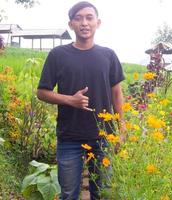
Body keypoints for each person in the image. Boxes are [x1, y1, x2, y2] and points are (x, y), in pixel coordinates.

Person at [37, 1, 125, 199]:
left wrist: (122, 128)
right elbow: (42, 92)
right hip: (69, 136)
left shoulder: (108, 55)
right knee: (68, 194)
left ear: (98, 23)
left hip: (103, 136)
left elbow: (117, 94)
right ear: (71, 24)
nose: (84, 23)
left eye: (89, 17)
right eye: (78, 18)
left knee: (102, 193)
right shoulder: (58, 55)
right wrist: (70, 100)